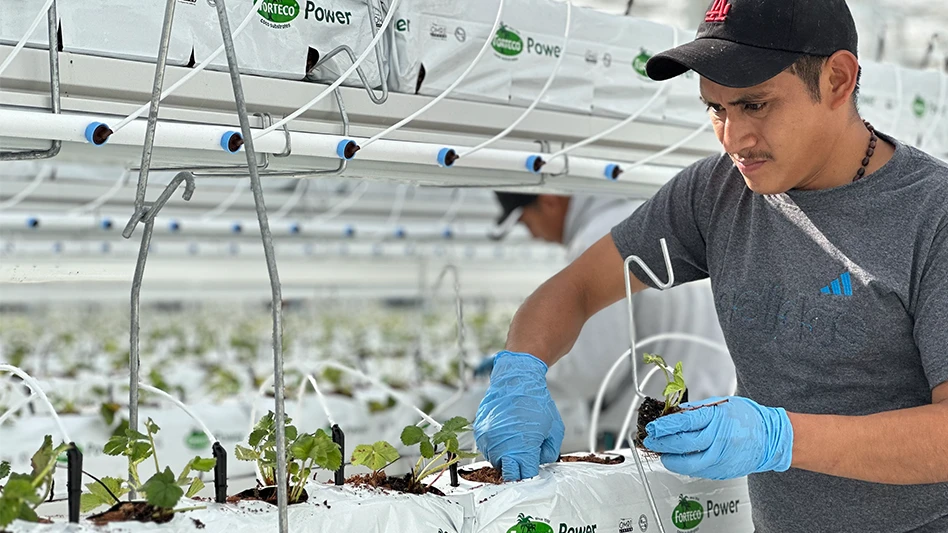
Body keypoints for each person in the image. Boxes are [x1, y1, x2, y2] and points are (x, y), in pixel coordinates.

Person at [473, 0, 948, 532]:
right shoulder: (716, 193)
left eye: (756, 105)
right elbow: (579, 288)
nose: (733, 138)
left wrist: (780, 438)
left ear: (838, 79)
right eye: (716, 109)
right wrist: (521, 368)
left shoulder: (932, 215)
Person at [484, 192, 735, 447]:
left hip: (655, 431)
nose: (534, 235)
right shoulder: (650, 216)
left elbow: (592, 367)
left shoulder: (601, 239)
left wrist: (527, 379)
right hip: (714, 413)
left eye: (527, 223)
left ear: (549, 200)